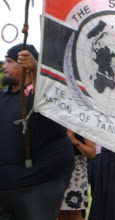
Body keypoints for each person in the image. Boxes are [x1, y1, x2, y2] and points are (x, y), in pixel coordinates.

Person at [0, 44, 75, 219]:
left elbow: (52, 114)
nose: (4, 66)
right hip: (4, 189)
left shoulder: (44, 98)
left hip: (37, 185)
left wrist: (35, 70)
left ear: (25, 65)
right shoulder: (3, 97)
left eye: (10, 62)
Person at [58, 130, 96, 220]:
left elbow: (92, 153)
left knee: (74, 213)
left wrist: (75, 141)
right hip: (56, 171)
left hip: (76, 174)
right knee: (60, 213)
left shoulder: (80, 123)